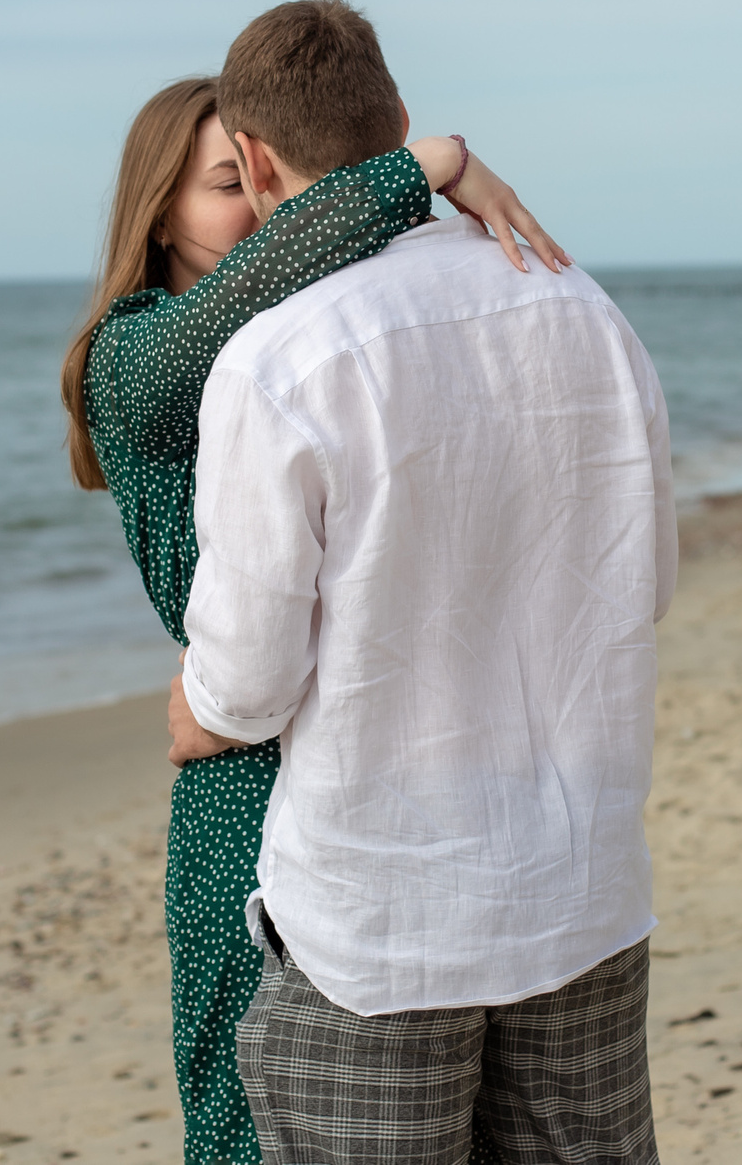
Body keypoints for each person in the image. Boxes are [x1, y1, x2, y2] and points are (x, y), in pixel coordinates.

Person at [173, 0, 676, 1164]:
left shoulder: (276, 354)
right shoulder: (582, 305)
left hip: (381, 920)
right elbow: (643, 582)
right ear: (397, 123)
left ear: (251, 162)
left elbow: (246, 683)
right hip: (579, 882)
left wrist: (194, 711)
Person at [60, 69, 568, 1165]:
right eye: (221, 183)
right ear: (158, 211)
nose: (255, 203)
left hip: (384, 762)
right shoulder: (135, 356)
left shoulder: (315, 340)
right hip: (247, 782)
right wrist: (431, 166)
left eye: (257, 178)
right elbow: (276, 263)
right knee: (251, 1122)